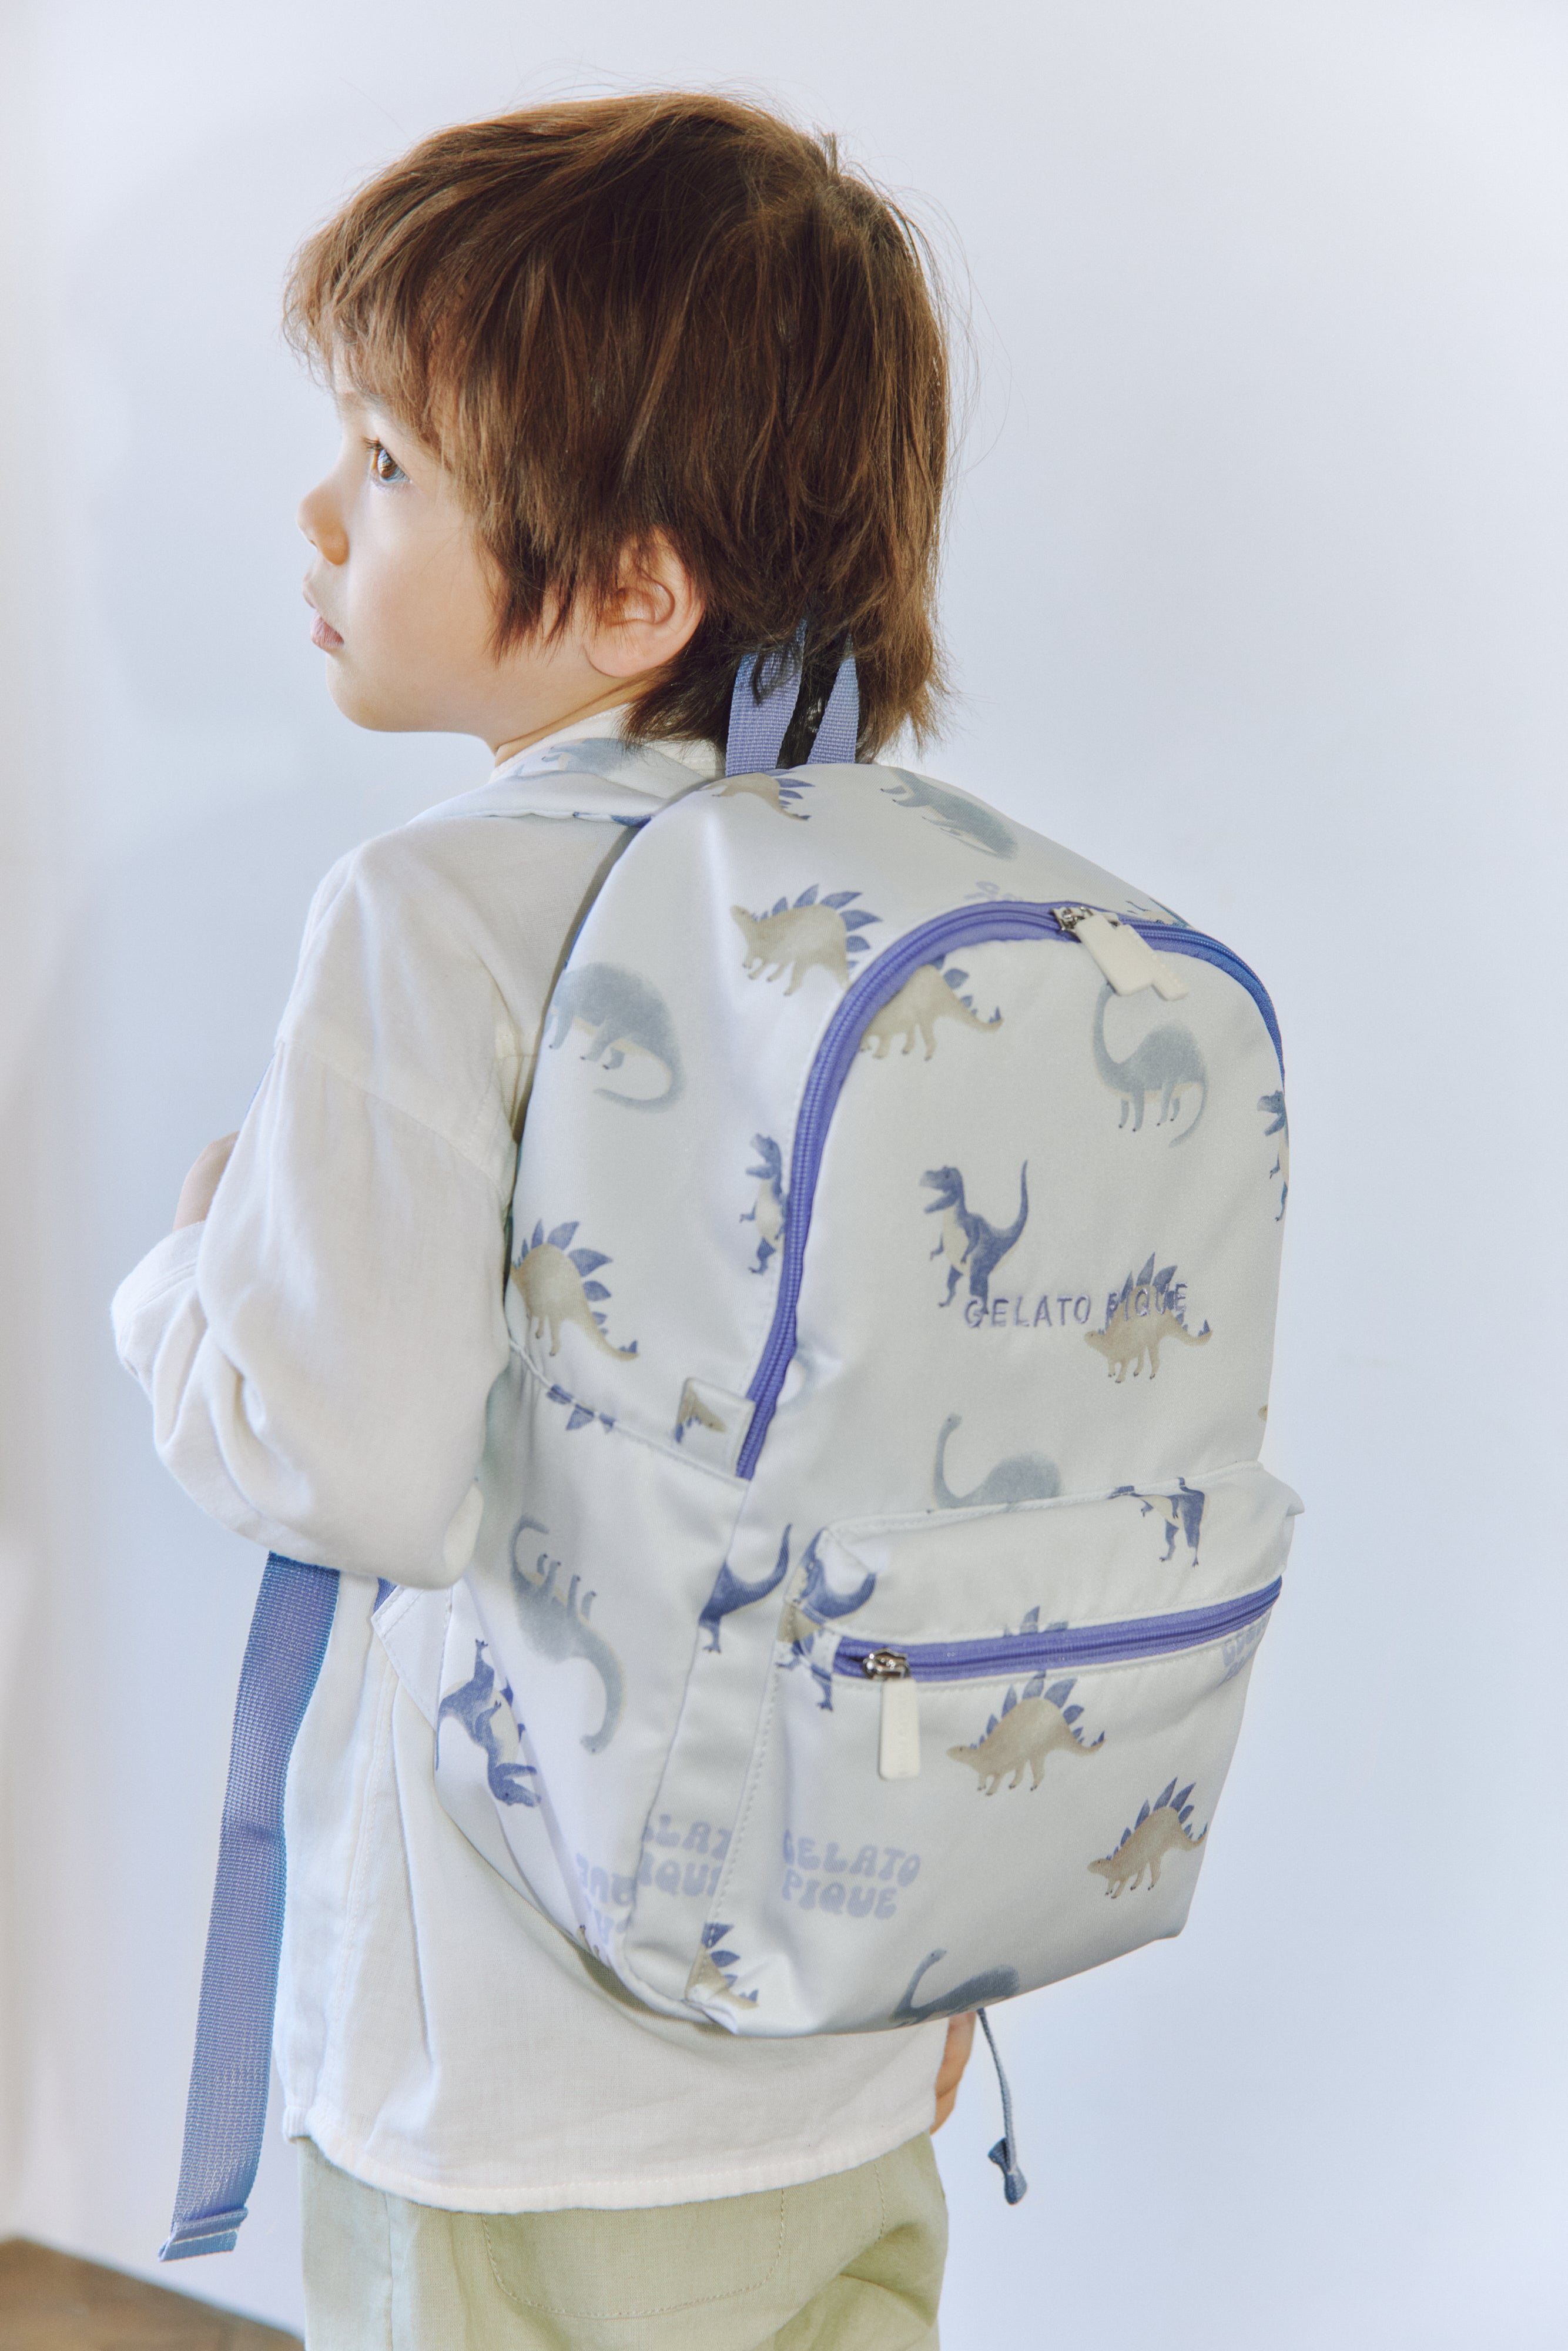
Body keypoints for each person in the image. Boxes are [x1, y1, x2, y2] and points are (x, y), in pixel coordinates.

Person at [113, 94, 974, 2349]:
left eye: (389, 462)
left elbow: (353, 1471)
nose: (321, 510)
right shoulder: (916, 908)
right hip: (857, 2025)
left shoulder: (430, 912)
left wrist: (186, 1283)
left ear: (630, 591)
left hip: (514, 2086)